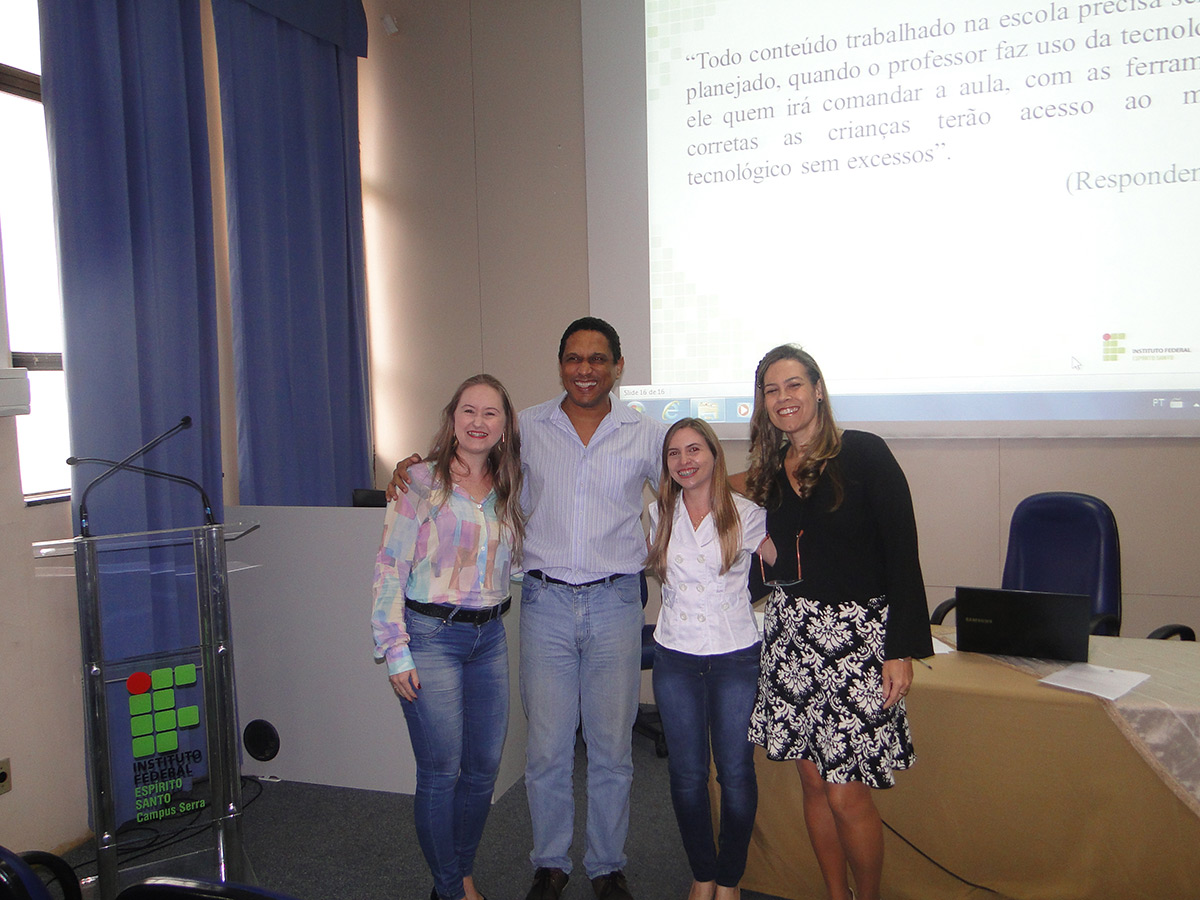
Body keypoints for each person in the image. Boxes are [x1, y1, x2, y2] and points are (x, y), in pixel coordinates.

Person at [390, 317, 665, 900]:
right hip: (545, 601)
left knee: (612, 748)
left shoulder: (646, 433)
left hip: (616, 600)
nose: (585, 369)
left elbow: (693, 478)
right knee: (546, 747)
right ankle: (550, 862)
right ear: (560, 364)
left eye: (597, 358)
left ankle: (607, 865)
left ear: (618, 366)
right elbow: (468, 454)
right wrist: (410, 468)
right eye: (573, 358)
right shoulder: (525, 427)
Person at [741, 344, 933, 900]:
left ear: (818, 389)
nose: (784, 398)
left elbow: (902, 553)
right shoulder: (771, 472)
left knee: (846, 791)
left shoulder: (865, 453)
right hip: (791, 638)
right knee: (811, 780)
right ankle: (835, 894)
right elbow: (771, 554)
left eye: (794, 385)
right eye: (772, 391)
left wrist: (900, 648)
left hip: (858, 641)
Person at [371, 374, 524, 900]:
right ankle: (453, 889)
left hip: (490, 639)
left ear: (504, 426)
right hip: (430, 637)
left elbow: (514, 562)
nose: (479, 421)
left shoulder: (510, 485)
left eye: (490, 413)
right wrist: (394, 649)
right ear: (452, 419)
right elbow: (390, 566)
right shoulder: (419, 481)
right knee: (441, 772)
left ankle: (458, 876)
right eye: (469, 411)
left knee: (482, 771)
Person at [644, 418, 771, 900]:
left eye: (695, 449)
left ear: (715, 455)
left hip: (735, 656)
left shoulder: (747, 513)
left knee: (735, 773)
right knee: (687, 774)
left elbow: (790, 566)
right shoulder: (658, 514)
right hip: (676, 656)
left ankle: (730, 878)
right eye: (674, 453)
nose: (685, 461)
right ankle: (702, 873)